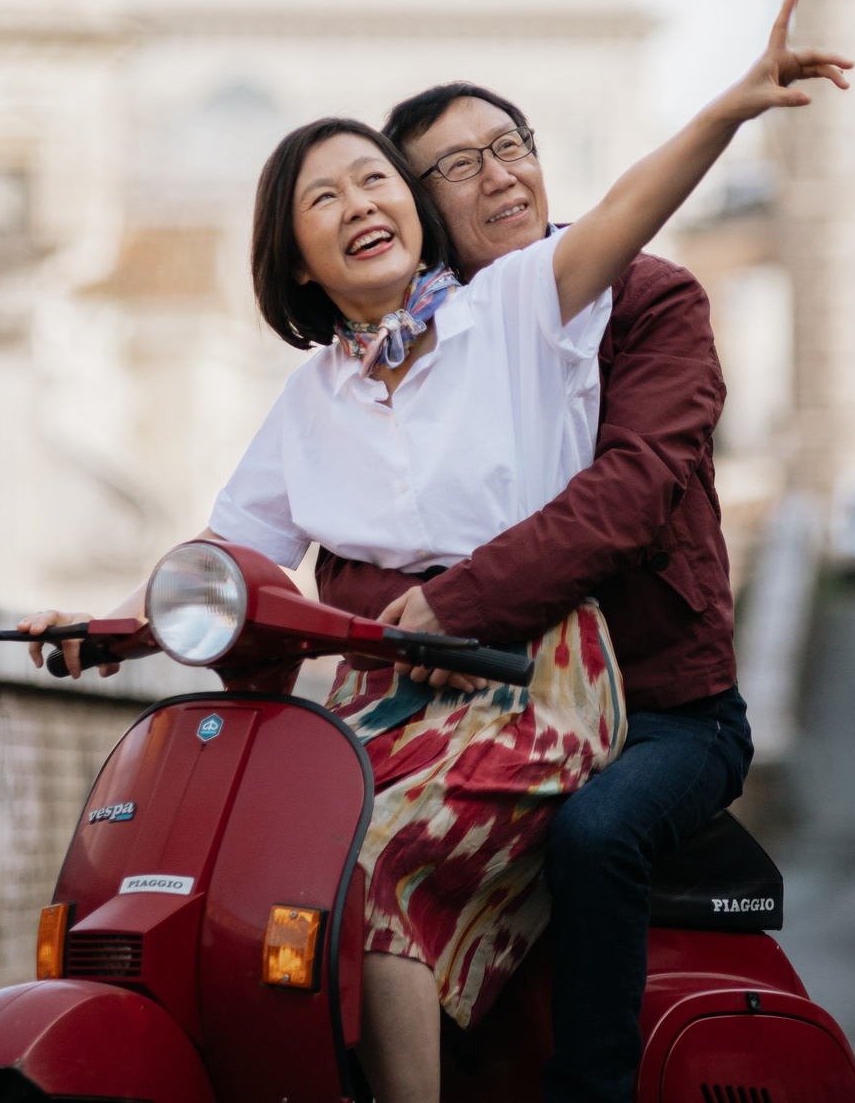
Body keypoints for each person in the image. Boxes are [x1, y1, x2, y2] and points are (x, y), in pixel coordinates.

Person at [25, 0, 849, 1103]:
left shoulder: (515, 310)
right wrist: (111, 629)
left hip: (537, 681)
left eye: (374, 181)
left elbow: (625, 237)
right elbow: (227, 556)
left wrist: (733, 107)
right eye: (327, 196)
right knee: (274, 863)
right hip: (390, 695)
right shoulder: (311, 399)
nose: (361, 203)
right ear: (298, 255)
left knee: (365, 864)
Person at [322, 74, 781, 1103]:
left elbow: (632, 494)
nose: (501, 176)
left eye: (511, 145)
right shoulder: (414, 357)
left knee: (597, 832)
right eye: (458, 165)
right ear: (418, 208)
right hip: (478, 702)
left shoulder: (651, 300)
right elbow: (353, 539)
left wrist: (453, 603)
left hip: (668, 716)